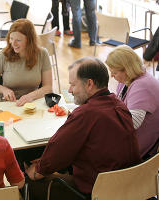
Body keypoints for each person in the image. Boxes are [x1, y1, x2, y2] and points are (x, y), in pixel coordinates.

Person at [24, 57, 141, 199]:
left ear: (89, 84)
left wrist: (37, 171)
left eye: (73, 85)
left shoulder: (85, 114)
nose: (70, 90)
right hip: (132, 186)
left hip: (96, 191)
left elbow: (58, 150)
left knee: (27, 183)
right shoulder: (120, 105)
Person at [106, 45, 159, 160]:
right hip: (130, 139)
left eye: (114, 72)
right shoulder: (128, 79)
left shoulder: (143, 85)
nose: (112, 76)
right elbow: (119, 102)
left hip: (136, 147)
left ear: (126, 69)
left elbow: (131, 123)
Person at [0, 19, 53, 106]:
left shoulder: (42, 54)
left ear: (29, 40)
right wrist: (3, 90)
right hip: (8, 105)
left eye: (18, 40)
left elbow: (48, 87)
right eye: (11, 38)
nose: (13, 44)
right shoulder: (3, 55)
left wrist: (30, 96)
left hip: (32, 104)